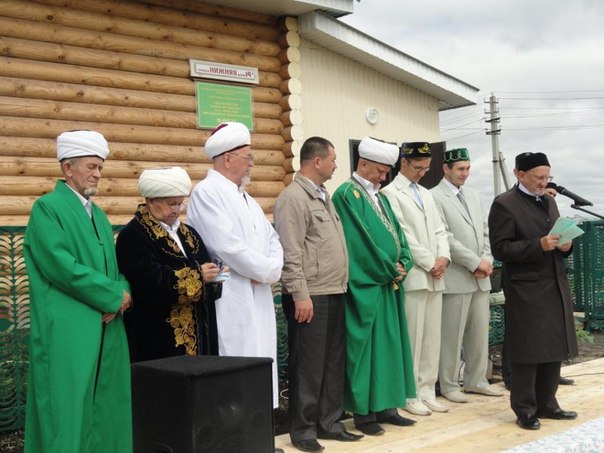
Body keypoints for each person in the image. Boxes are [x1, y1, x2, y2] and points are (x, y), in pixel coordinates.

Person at [23, 130, 132, 453]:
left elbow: (112, 266)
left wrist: (122, 291)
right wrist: (112, 296)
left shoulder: (97, 214)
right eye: (91, 167)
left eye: (100, 167)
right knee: (65, 406)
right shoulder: (47, 208)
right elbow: (61, 266)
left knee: (104, 403)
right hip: (67, 329)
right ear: (67, 168)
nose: (98, 174)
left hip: (105, 325)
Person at [186, 122, 284, 453]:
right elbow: (226, 246)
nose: (252, 162)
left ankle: (258, 440)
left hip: (258, 294)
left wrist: (270, 271)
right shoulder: (207, 193)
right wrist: (263, 270)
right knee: (236, 368)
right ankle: (237, 443)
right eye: (247, 156)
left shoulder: (246, 198)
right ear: (228, 158)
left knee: (260, 363)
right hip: (233, 299)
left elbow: (272, 239)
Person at [274, 137, 362, 452]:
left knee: (332, 363)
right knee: (308, 365)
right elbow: (290, 252)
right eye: (334, 159)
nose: (337, 165)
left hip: (334, 291)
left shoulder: (322, 196)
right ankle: (304, 430)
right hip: (311, 295)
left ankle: (329, 422)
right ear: (317, 161)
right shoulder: (293, 198)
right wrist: (300, 294)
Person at [332, 137, 416, 437]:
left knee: (389, 347)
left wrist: (404, 260)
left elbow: (399, 236)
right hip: (366, 286)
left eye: (386, 172)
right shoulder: (347, 194)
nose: (383, 178)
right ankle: (364, 413)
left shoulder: (380, 197)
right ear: (363, 164)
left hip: (387, 285)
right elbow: (359, 241)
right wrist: (387, 269)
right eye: (379, 171)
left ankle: (387, 406)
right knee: (365, 351)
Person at [488, 152, 578, 431]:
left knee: (553, 346)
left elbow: (559, 236)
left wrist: (566, 246)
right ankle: (525, 409)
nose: (544, 182)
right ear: (519, 174)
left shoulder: (549, 201)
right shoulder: (504, 204)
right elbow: (500, 249)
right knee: (528, 350)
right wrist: (537, 245)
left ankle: (548, 403)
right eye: (539, 177)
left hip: (553, 284)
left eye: (547, 177)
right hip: (525, 288)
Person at [116, 166, 224, 362]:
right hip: (158, 339)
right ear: (150, 200)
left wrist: (216, 275)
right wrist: (198, 276)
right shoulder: (133, 236)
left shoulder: (189, 234)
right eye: (170, 204)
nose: (176, 210)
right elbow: (150, 284)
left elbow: (205, 271)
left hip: (201, 335)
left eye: (180, 204)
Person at [381, 142, 451, 416]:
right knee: (413, 337)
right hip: (415, 275)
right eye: (418, 167)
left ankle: (426, 389)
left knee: (432, 337)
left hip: (436, 274)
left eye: (426, 168)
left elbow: (439, 229)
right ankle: (408, 393)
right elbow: (402, 234)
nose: (422, 173)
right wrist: (428, 261)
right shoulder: (390, 193)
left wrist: (443, 257)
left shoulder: (425, 193)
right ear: (404, 164)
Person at [430, 148, 503, 403]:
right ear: (446, 169)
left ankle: (476, 380)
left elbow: (484, 231)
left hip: (480, 278)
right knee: (451, 335)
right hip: (456, 277)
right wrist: (474, 262)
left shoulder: (473, 195)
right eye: (460, 169)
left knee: (479, 334)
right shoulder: (434, 196)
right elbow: (445, 237)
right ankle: (449, 384)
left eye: (468, 168)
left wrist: (487, 259)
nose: (465, 173)